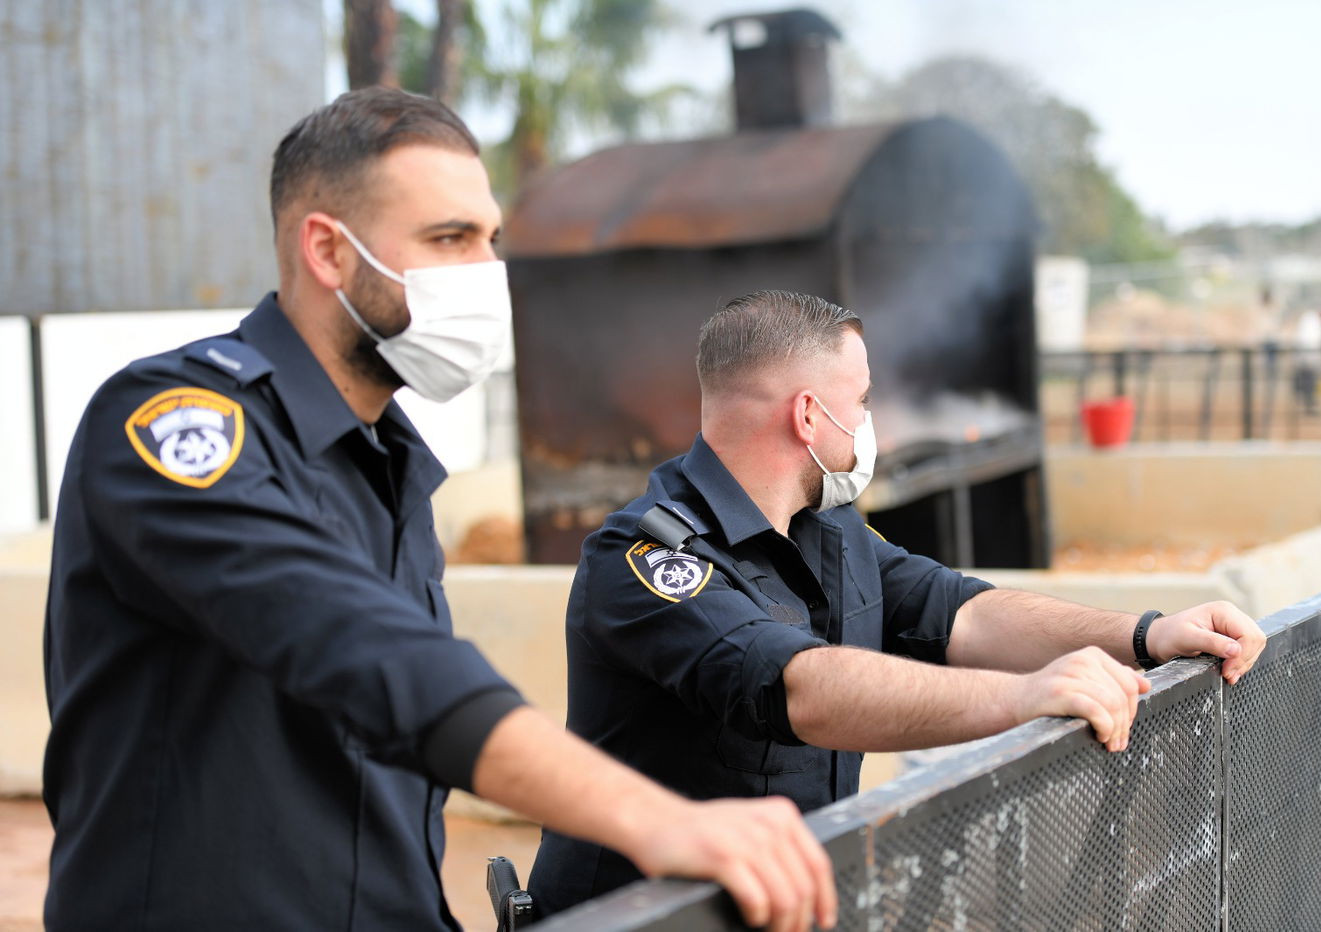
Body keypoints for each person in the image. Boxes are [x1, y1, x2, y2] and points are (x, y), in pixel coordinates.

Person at [42, 90, 835, 932]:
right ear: (327, 251)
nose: (487, 273)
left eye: (491, 240)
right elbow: (369, 656)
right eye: (450, 239)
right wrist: (658, 820)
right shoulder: (174, 426)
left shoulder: (392, 467)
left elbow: (383, 792)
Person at [528, 290, 1267, 914]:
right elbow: (797, 686)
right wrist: (1025, 697)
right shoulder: (647, 559)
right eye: (862, 400)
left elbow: (961, 613)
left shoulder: (830, 531)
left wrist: (1146, 635)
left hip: (781, 905)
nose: (869, 421)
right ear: (808, 416)